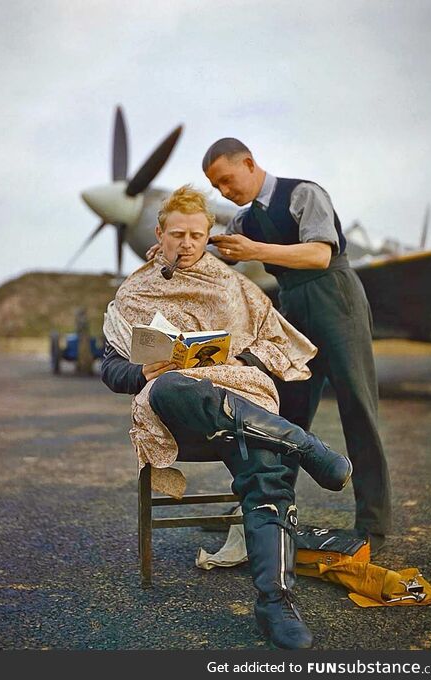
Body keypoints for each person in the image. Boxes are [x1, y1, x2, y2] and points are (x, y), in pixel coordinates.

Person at [101, 185, 352, 650]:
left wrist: (239, 361)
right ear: (160, 233)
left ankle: (275, 600)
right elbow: (110, 367)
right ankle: (302, 443)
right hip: (175, 412)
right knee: (175, 385)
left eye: (197, 235)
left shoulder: (235, 285)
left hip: (240, 402)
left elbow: (278, 347)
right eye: (177, 234)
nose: (187, 243)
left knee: (267, 471)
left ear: (208, 234)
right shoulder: (134, 292)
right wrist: (142, 370)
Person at [201, 139, 392, 556]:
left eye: (227, 181)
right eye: (216, 188)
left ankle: (373, 526)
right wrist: (176, 248)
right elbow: (217, 255)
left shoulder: (304, 193)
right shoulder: (244, 220)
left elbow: (320, 254)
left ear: (249, 164)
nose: (224, 193)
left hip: (335, 300)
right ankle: (270, 515)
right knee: (286, 418)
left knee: (357, 409)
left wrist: (257, 251)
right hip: (291, 309)